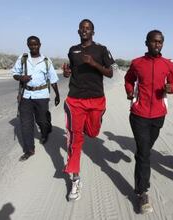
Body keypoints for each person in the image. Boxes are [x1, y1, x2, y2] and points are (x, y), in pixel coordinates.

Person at [62, 19, 117, 201]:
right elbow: (71, 69)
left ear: (93, 32)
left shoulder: (101, 49)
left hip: (96, 100)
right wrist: (67, 73)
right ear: (78, 31)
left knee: (92, 133)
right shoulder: (72, 50)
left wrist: (94, 63)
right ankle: (75, 179)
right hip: (75, 99)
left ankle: (87, 127)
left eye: (88, 29)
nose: (85, 31)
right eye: (82, 28)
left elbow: (110, 73)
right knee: (75, 139)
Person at [124, 30, 173, 214]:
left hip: (158, 115)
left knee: (144, 150)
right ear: (146, 42)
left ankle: (140, 159)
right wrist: (130, 91)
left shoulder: (168, 64)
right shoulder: (137, 63)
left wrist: (171, 88)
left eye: (160, 42)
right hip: (138, 114)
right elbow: (128, 79)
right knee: (145, 152)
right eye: (154, 41)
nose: (157, 45)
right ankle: (142, 193)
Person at [11, 35, 60, 161]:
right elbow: (15, 74)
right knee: (26, 123)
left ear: (40, 44)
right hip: (26, 95)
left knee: (42, 120)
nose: (33, 47)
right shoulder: (22, 58)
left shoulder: (46, 61)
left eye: (35, 44)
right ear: (28, 45)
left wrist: (57, 95)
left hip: (42, 96)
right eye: (31, 44)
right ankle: (29, 150)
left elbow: (53, 80)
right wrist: (21, 78)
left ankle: (45, 132)